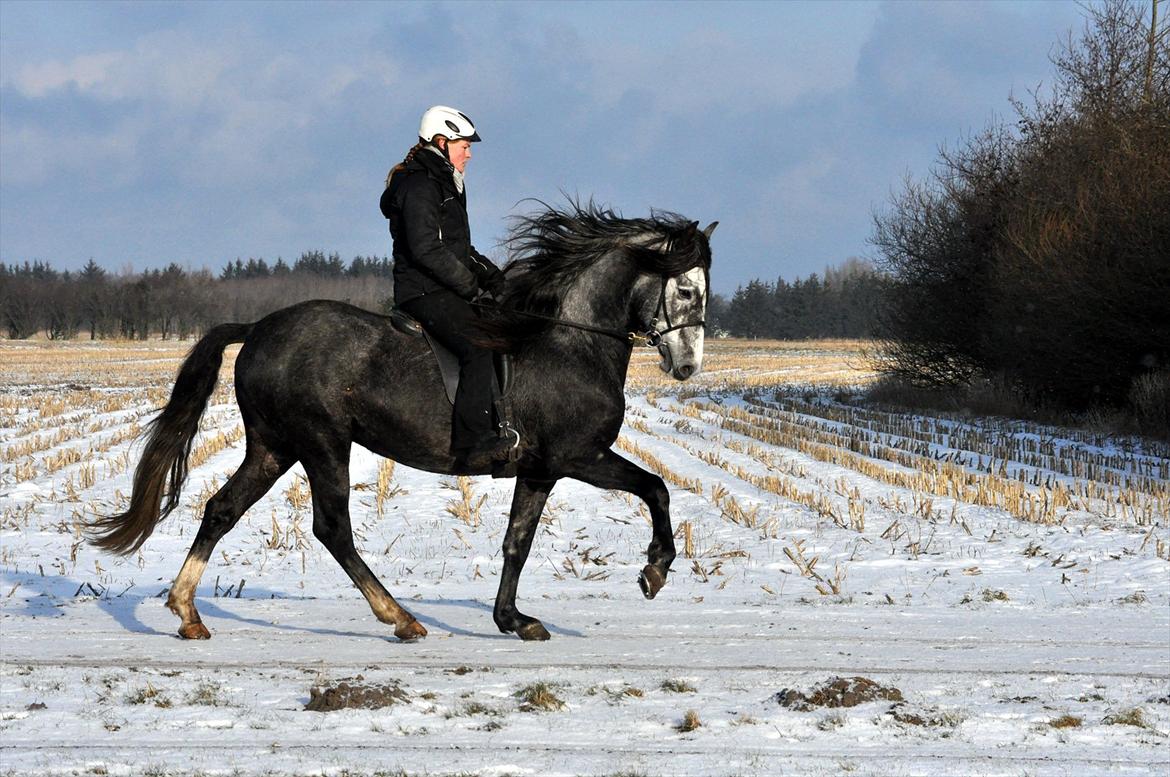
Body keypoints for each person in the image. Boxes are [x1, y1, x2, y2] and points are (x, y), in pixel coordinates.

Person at [380, 105, 511, 463]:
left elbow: (458, 247)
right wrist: (470, 286)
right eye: (464, 145)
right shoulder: (420, 184)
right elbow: (426, 249)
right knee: (478, 346)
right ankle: (473, 441)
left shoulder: (444, 182)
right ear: (441, 142)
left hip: (441, 286)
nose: (469, 153)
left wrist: (495, 279)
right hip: (423, 291)